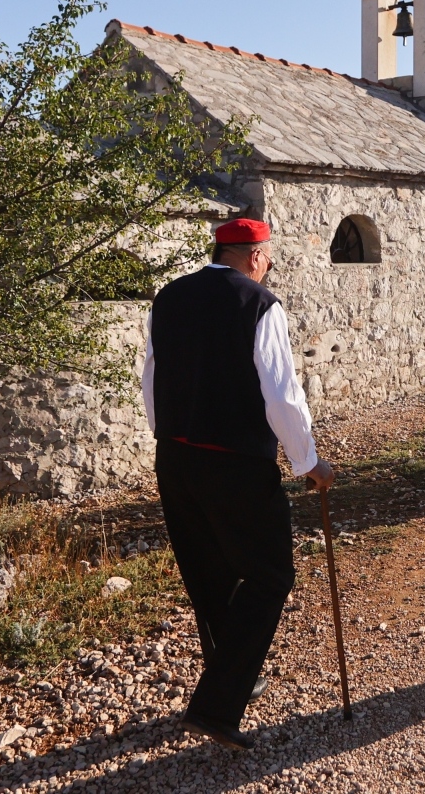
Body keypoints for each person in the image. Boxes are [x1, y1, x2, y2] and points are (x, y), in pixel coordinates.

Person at [142, 218, 336, 750]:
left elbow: (150, 379)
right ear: (253, 254)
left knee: (208, 574)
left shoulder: (169, 297)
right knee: (271, 575)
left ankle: (225, 678)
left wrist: (173, 439)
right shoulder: (259, 303)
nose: (268, 263)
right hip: (235, 463)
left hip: (175, 459)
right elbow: (281, 392)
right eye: (267, 254)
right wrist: (308, 461)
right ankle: (217, 706)